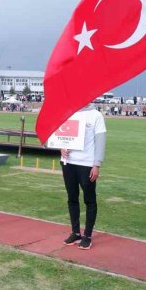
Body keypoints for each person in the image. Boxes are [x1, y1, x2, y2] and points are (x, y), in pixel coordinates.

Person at [59, 103, 106, 250]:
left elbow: (100, 141)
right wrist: (62, 148)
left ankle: (88, 235)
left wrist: (96, 164)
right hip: (68, 163)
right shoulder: (69, 112)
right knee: (72, 198)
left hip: (86, 164)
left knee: (89, 200)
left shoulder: (96, 115)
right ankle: (75, 232)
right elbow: (62, 135)